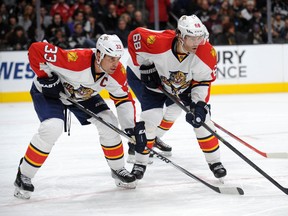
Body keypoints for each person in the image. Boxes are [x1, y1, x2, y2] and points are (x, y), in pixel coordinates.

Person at [14, 34, 147, 199]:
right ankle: (24, 174)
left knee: (109, 123)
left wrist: (130, 130)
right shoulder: (75, 60)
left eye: (117, 58)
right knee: (52, 127)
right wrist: (46, 78)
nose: (115, 63)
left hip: (83, 95)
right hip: (50, 93)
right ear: (99, 55)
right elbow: (36, 49)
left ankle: (118, 169)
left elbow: (124, 99)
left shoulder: (117, 72)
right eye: (111, 58)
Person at [127, 14, 227, 181]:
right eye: (192, 38)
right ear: (180, 35)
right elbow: (134, 37)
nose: (197, 43)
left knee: (203, 120)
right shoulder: (158, 42)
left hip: (184, 88)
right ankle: (140, 163)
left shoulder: (206, 52)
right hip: (156, 85)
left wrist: (199, 104)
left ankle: (215, 162)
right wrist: (145, 65)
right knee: (150, 119)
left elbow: (202, 81)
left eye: (200, 37)